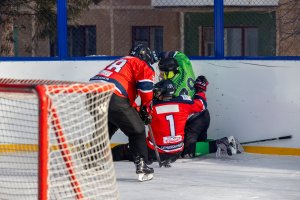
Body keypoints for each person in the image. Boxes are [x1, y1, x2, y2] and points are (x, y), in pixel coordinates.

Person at [112, 78, 242, 167]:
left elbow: (130, 111)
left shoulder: (152, 107)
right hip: (177, 151)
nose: (155, 94)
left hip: (156, 152)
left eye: (157, 92)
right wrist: (200, 90)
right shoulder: (183, 103)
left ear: (161, 93)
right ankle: (219, 144)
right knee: (189, 148)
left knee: (125, 150)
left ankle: (99, 157)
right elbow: (202, 104)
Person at [89, 43, 158, 181]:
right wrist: (146, 107)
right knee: (137, 130)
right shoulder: (141, 63)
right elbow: (145, 88)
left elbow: (127, 102)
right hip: (114, 97)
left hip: (92, 94)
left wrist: (139, 110)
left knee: (109, 125)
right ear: (144, 56)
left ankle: (92, 160)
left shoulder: (122, 61)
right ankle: (142, 164)